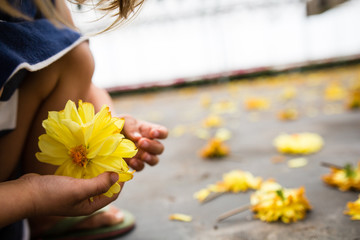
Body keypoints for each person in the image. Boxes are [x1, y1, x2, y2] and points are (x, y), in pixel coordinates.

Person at [0, 0, 168, 239]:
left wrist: (108, 126)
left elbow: (74, 75)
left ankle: (47, 219)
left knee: (73, 55)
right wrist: (32, 196)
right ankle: (43, 214)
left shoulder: (46, 4)